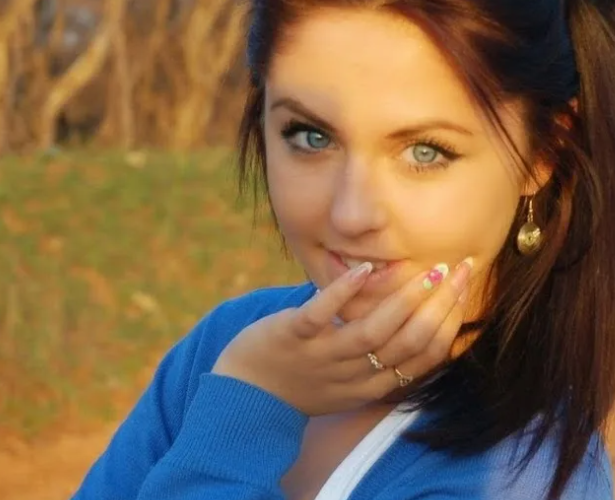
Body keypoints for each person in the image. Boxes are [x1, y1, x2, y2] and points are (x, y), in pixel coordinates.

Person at [71, 0, 615, 499]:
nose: (352, 215)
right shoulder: (230, 346)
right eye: (312, 136)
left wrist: (248, 412)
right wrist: (251, 385)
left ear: (544, 153)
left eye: (425, 151)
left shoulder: (518, 478)